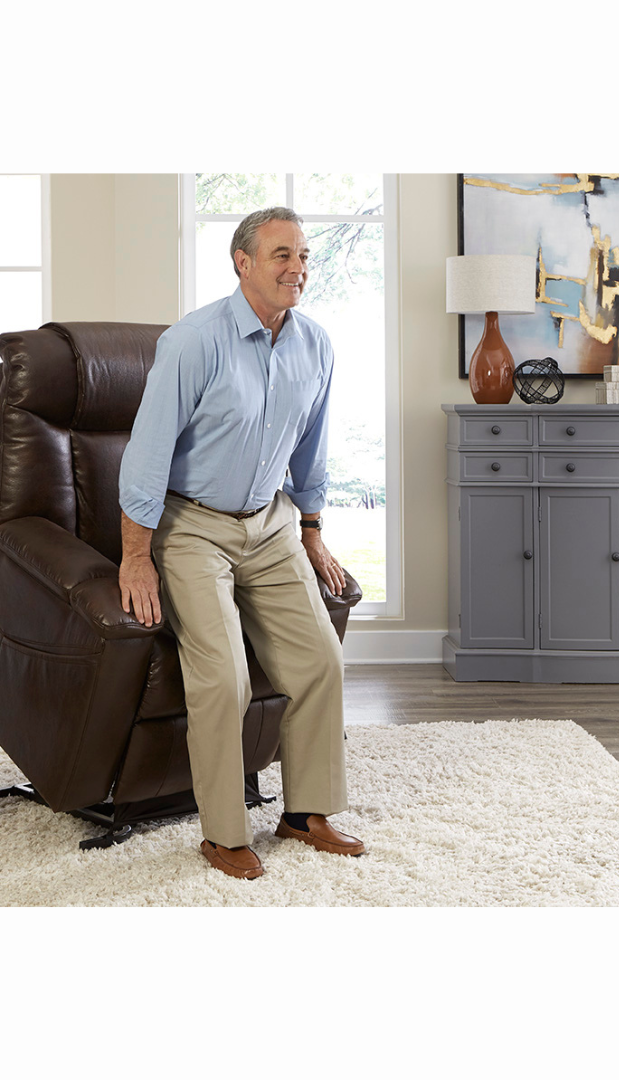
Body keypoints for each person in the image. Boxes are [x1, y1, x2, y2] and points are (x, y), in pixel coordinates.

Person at [118, 206, 364, 879]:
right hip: (193, 528)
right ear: (243, 262)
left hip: (271, 523)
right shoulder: (194, 342)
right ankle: (224, 833)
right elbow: (147, 455)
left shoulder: (316, 345)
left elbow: (311, 451)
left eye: (305, 256)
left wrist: (311, 531)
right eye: (283, 255)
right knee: (223, 678)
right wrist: (136, 556)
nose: (298, 268)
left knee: (321, 661)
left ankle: (305, 813)